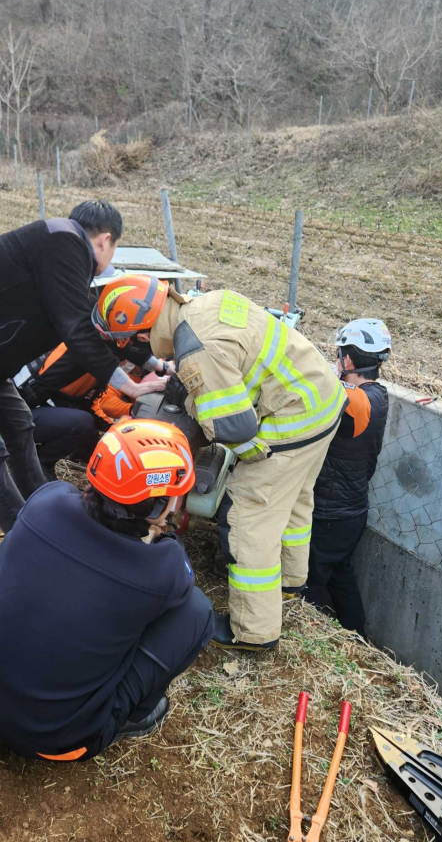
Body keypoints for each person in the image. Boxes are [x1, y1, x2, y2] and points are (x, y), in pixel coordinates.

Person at [144, 284, 347, 652]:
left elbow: (234, 429)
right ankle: (287, 583)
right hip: (322, 399)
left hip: (293, 418)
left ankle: (254, 631)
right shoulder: (207, 303)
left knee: (249, 515)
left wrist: (196, 409)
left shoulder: (194, 350)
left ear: (147, 329)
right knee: (295, 499)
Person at [0, 418, 215, 761]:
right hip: (57, 741)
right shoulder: (163, 570)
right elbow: (177, 573)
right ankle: (136, 713)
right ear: (161, 506)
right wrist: (162, 532)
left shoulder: (46, 501)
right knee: (197, 613)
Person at [0, 203, 162, 532]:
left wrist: (157, 363)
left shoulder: (62, 251)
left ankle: (39, 509)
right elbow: (77, 328)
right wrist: (128, 385)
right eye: (114, 247)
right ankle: (21, 530)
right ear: (105, 240)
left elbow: (99, 326)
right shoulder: (63, 241)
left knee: (19, 426)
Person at [303, 318, 391, 637]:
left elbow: (323, 385)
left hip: (329, 514)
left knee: (307, 584)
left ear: (349, 360)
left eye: (339, 354)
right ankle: (359, 639)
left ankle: (309, 640)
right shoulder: (378, 395)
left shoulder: (358, 402)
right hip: (350, 512)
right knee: (341, 578)